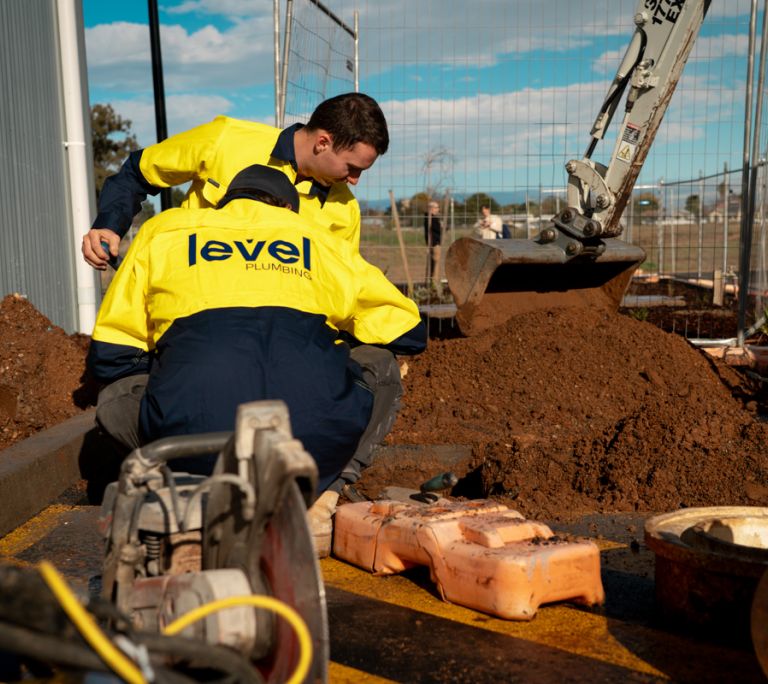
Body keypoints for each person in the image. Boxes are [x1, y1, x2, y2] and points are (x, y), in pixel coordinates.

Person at [87, 164, 427, 557]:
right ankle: (320, 502)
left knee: (114, 398)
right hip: (308, 453)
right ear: (288, 207)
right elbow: (409, 332)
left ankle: (184, 497)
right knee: (381, 364)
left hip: (193, 444)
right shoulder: (319, 238)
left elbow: (110, 357)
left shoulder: (164, 231)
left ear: (224, 201)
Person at [82, 92, 389, 270]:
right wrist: (110, 224)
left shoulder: (345, 210)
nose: (354, 180)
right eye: (352, 167)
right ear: (323, 142)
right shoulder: (226, 140)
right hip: (186, 303)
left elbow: (339, 282)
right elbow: (137, 172)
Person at [423, 200, 443, 290]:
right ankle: (434, 284)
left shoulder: (427, 217)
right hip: (435, 244)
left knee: (433, 263)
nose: (438, 209)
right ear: (432, 209)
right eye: (437, 207)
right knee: (436, 264)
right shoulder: (432, 218)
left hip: (432, 243)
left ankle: (432, 282)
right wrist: (442, 226)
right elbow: (439, 229)